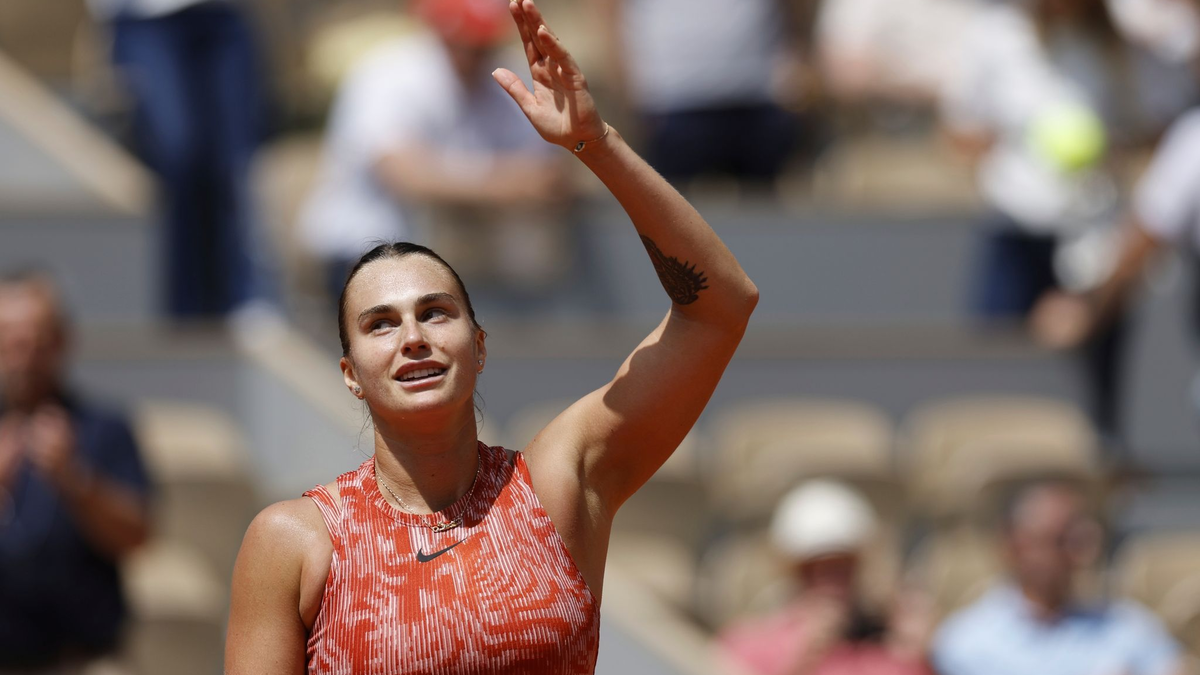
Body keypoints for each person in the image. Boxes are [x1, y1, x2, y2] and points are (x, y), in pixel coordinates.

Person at [224, 0, 759, 672]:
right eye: (380, 323)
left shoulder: (559, 483)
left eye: (435, 311)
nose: (412, 335)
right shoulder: (292, 541)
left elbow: (721, 305)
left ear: (480, 345)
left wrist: (597, 145)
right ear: (349, 372)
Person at [941, 0, 1157, 448]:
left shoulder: (1124, 42)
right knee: (996, 368)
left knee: (1098, 385)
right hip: (1014, 229)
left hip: (1096, 237)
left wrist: (1112, 151)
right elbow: (962, 129)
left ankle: (1097, 478)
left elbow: (1151, 128)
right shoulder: (992, 34)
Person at [300, 0, 572, 303]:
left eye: (483, 44)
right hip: (364, 253)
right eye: (466, 43)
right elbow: (403, 175)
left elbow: (546, 172)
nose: (475, 53)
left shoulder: (504, 76)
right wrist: (505, 183)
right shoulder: (389, 73)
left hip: (460, 261)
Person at [86, 0, 277, 322]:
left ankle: (241, 295)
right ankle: (184, 306)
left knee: (234, 164)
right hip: (147, 20)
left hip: (225, 16)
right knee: (180, 156)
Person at [0, 270, 151, 671]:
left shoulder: (101, 428)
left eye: (37, 337)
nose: (25, 352)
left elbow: (137, 535)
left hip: (84, 657)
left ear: (61, 341)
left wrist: (74, 477)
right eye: (12, 338)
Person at [932, 480, 1185, 675]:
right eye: (1060, 539)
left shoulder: (1129, 626)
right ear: (1016, 545)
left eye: (1083, 538)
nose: (1079, 552)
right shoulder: (967, 640)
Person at [718, 480, 933, 675]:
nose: (832, 582)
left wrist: (922, 657)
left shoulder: (889, 646)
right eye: (815, 569)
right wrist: (799, 662)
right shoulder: (750, 644)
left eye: (843, 566)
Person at [592, 0, 811, 189]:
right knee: (667, 221)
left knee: (763, 220)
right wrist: (624, 89)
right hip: (670, 99)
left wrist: (801, 58)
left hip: (759, 92)